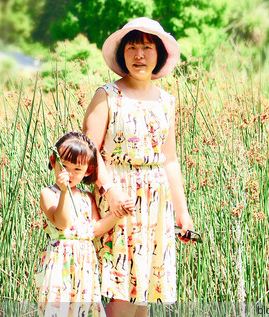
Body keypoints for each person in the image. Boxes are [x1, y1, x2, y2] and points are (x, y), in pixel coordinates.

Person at [83, 17, 196, 316]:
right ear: (123, 54)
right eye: (132, 47)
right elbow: (90, 154)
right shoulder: (106, 95)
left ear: (159, 54)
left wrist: (182, 214)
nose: (139, 55)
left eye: (147, 47)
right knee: (121, 288)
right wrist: (110, 193)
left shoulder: (166, 101)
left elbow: (169, 159)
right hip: (118, 200)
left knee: (143, 290)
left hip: (156, 202)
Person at [34, 131, 133, 317]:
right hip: (59, 263)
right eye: (64, 166)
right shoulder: (49, 194)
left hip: (84, 264)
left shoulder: (87, 198)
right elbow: (62, 223)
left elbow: (95, 229)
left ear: (88, 170)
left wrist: (118, 214)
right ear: (53, 161)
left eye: (77, 169)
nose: (70, 174)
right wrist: (64, 192)